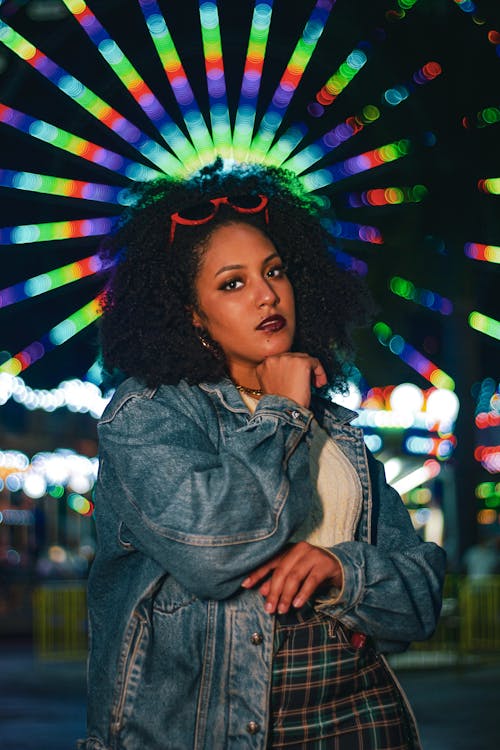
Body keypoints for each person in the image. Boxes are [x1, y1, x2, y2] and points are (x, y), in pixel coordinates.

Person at [80, 159, 446, 750]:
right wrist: (284, 414)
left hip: (360, 725)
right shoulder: (147, 416)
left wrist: (341, 571)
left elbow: (420, 599)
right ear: (193, 317)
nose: (267, 294)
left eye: (274, 271)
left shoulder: (338, 432)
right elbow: (219, 549)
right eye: (233, 283)